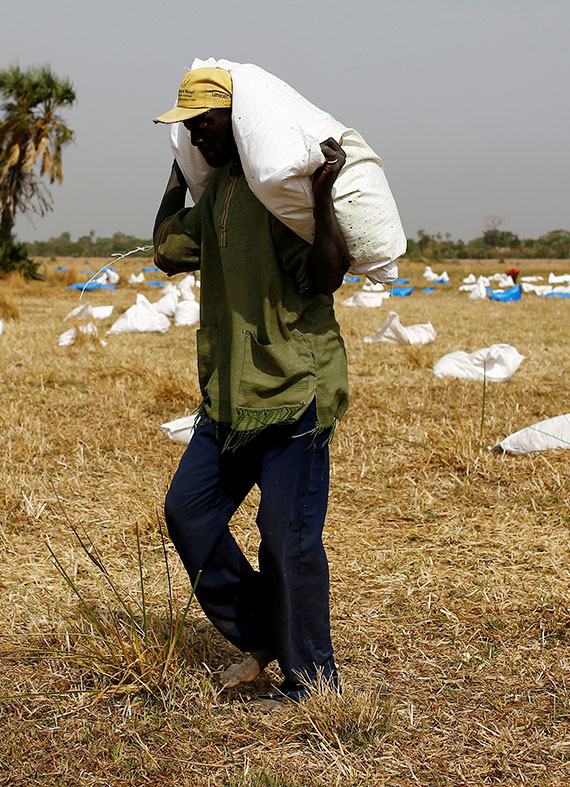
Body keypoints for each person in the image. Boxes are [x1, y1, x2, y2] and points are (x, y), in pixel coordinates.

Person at [151, 67, 351, 704]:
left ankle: (311, 677)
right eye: (186, 127)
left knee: (287, 537)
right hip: (231, 395)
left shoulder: (279, 194)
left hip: (293, 388)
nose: (194, 133)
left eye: (202, 122)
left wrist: (321, 198)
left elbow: (327, 275)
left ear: (235, 121)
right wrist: (177, 181)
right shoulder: (219, 196)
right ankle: (262, 633)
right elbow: (164, 249)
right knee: (188, 511)